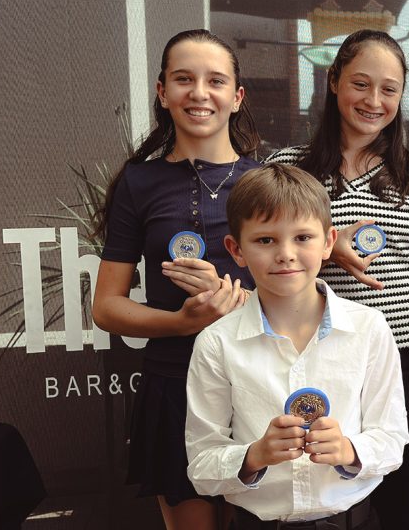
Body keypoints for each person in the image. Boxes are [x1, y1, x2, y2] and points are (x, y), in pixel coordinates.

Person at [264, 29, 409, 529]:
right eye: (361, 84)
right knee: (326, 500)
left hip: (408, 358)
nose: (374, 101)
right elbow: (265, 256)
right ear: (334, 81)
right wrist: (327, 251)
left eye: (389, 89)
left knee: (408, 503)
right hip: (321, 360)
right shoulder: (289, 170)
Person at [92, 29, 260, 529]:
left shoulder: (265, 182)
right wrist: (182, 321)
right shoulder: (138, 181)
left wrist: (238, 301)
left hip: (258, 380)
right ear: (163, 92)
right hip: (175, 384)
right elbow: (106, 307)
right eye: (184, 79)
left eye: (215, 81)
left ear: (237, 96)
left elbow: (296, 291)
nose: (199, 93)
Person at [185, 164, 407, 529]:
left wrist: (350, 450)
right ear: (236, 249)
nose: (286, 253)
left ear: (328, 242)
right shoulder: (216, 343)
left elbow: (392, 438)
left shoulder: (369, 329)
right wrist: (254, 455)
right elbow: (201, 465)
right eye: (265, 240)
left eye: (303, 237)